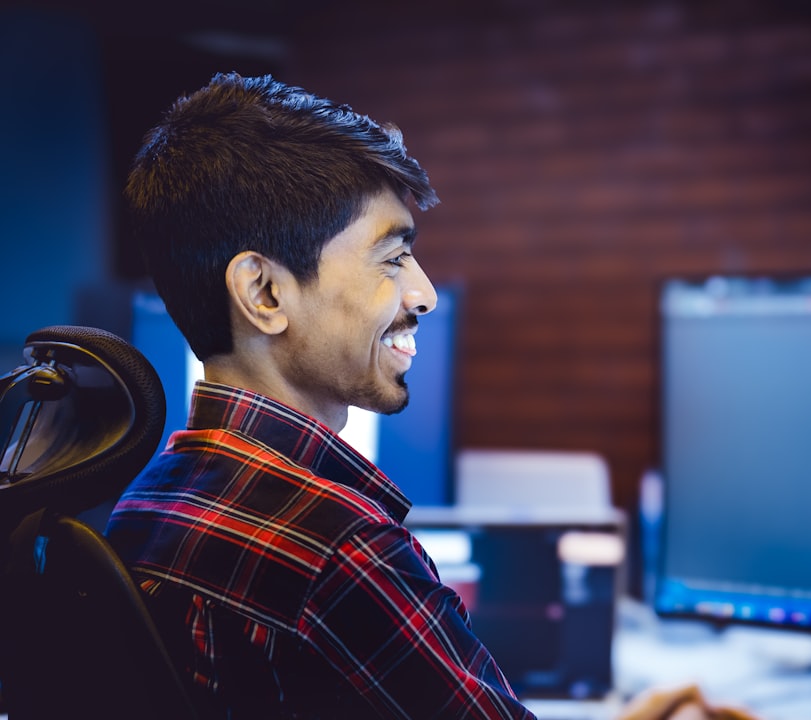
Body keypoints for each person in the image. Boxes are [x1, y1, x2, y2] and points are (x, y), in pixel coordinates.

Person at [105, 73, 755, 720]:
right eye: (392, 258)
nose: (425, 294)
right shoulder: (340, 551)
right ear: (265, 293)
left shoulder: (145, 506)